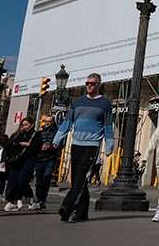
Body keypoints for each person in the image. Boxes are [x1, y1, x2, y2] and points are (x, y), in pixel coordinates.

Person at [53, 72, 114, 223]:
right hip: (76, 144)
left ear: (99, 85)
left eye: (92, 83)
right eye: (87, 83)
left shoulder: (105, 103)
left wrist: (109, 145)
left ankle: (67, 206)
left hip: (91, 146)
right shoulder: (78, 102)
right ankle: (82, 214)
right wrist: (57, 139)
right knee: (77, 180)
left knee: (81, 178)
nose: (88, 86)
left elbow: (108, 125)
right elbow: (68, 122)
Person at [3, 116, 40, 212]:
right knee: (12, 181)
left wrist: (28, 145)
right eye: (22, 125)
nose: (24, 127)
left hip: (28, 160)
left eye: (26, 125)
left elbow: (38, 147)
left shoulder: (36, 135)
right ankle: (11, 201)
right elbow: (8, 146)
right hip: (16, 160)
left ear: (32, 125)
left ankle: (31, 198)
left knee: (22, 180)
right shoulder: (17, 134)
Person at [32, 115, 59, 210]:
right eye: (45, 121)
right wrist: (40, 147)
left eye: (49, 121)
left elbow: (59, 145)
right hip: (39, 158)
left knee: (46, 178)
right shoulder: (39, 133)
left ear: (53, 122)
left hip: (50, 158)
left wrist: (50, 147)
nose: (47, 123)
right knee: (39, 181)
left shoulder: (56, 133)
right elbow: (34, 145)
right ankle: (39, 199)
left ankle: (43, 199)